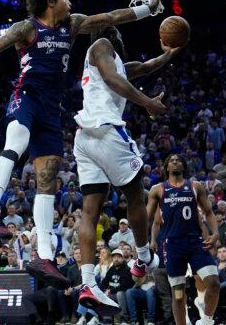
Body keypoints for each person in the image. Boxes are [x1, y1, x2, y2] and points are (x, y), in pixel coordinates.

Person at [0, 0, 162, 287]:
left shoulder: (72, 25)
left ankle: (43, 255)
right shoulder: (27, 28)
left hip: (51, 109)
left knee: (48, 180)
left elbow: (111, 17)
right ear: (50, 2)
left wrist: (147, 10)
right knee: (17, 140)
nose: (70, 1)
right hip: (27, 96)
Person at [72, 25, 181, 314]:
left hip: (83, 136)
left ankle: (87, 283)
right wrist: (147, 103)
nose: (120, 36)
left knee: (90, 209)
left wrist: (170, 53)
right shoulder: (102, 46)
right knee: (136, 193)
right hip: (106, 130)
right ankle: (144, 257)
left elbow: (144, 67)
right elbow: (112, 78)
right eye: (116, 32)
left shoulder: (110, 62)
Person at [147, 154, 220, 325]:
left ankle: (207, 321)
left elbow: (209, 213)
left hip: (195, 242)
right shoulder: (158, 189)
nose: (175, 162)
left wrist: (215, 233)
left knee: (214, 283)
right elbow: (149, 219)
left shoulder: (195, 186)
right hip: (172, 245)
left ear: (184, 166)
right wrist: (149, 241)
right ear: (166, 167)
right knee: (178, 293)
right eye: (171, 160)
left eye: (178, 160)